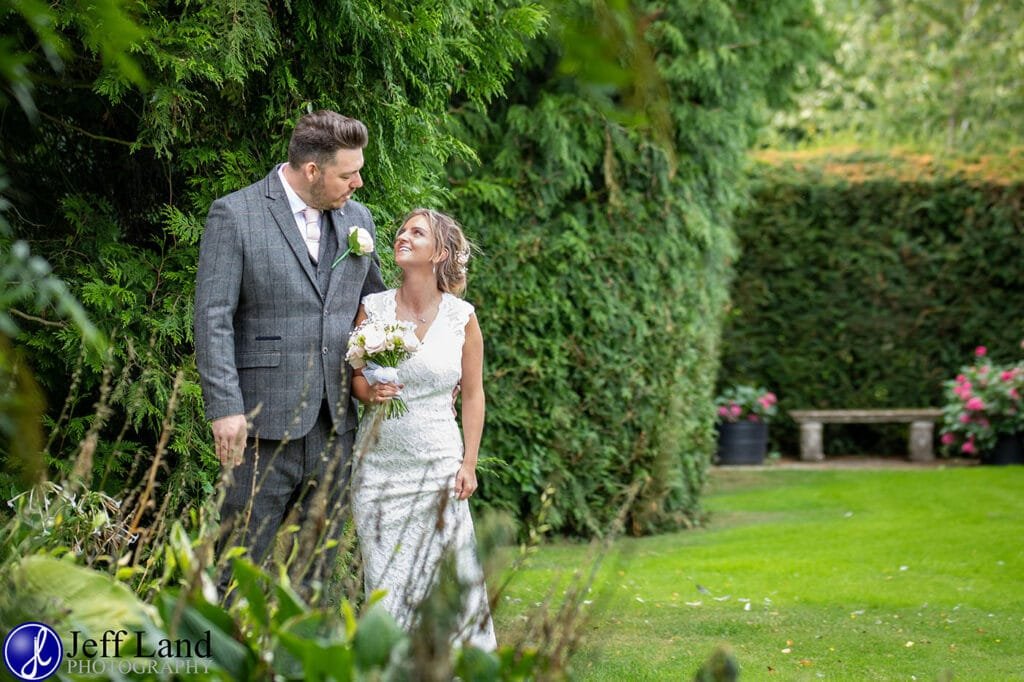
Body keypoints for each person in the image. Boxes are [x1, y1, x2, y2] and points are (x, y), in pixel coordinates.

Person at [194, 110, 385, 593]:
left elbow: (377, 309)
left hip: (336, 424)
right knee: (237, 566)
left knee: (317, 575)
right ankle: (224, 661)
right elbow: (212, 318)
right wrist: (226, 409)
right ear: (312, 171)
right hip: (260, 427)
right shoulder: (235, 215)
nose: (358, 183)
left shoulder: (359, 221)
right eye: (348, 173)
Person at [350, 208, 497, 651]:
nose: (403, 236)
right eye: (402, 230)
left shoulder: (461, 317)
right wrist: (367, 393)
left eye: (418, 232)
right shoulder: (372, 309)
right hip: (378, 468)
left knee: (448, 580)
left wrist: (469, 462)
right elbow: (356, 375)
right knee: (386, 585)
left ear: (441, 254)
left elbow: (472, 394)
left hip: (438, 467)